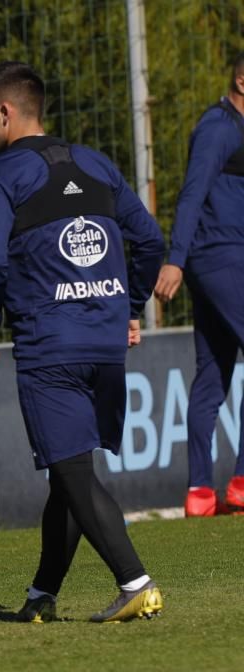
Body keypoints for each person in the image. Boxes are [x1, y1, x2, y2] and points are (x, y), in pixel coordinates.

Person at [0, 62, 165, 623]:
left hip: (49, 343)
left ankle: (136, 581)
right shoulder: (95, 162)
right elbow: (149, 241)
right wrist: (128, 309)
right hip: (104, 340)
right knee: (69, 471)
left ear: (5, 112)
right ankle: (41, 595)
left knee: (73, 471)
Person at [154, 53, 244, 517]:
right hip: (220, 258)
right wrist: (176, 260)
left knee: (212, 376)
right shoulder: (218, 127)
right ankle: (242, 484)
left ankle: (199, 493)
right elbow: (192, 193)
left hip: (220, 259)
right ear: (241, 80)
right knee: (212, 378)